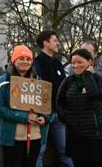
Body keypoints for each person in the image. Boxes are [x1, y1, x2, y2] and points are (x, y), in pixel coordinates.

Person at [0, 45, 49, 167]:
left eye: (28, 59)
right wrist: (23, 117)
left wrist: (44, 117)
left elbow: (47, 106)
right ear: (14, 60)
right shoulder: (2, 82)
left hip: (35, 136)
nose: (25, 61)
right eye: (21, 58)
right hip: (12, 138)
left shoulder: (38, 80)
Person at [57, 48, 102, 167]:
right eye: (73, 63)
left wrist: (87, 74)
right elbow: (59, 103)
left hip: (96, 138)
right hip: (75, 137)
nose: (76, 66)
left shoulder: (101, 82)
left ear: (90, 62)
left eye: (80, 62)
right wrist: (67, 119)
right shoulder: (68, 82)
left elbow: (93, 93)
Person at [33, 30, 73, 167]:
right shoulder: (36, 63)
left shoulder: (57, 63)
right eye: (55, 40)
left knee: (65, 151)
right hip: (44, 113)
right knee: (40, 151)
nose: (58, 44)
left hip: (59, 113)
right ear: (45, 43)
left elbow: (64, 86)